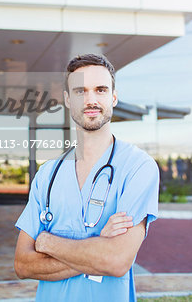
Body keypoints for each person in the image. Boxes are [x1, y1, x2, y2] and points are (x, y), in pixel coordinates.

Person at [14, 54, 159, 302]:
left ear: (113, 97)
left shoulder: (138, 168)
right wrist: (98, 243)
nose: (91, 100)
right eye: (80, 91)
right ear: (68, 99)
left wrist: (47, 242)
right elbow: (23, 264)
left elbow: (115, 261)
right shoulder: (47, 175)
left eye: (100, 90)